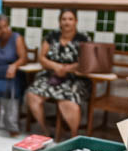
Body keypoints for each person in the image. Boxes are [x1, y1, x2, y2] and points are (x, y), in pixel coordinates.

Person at [26, 7, 90, 137]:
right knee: (32, 95)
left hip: (75, 78)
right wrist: (55, 66)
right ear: (59, 21)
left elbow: (86, 61)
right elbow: (42, 57)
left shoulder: (83, 38)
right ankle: (45, 131)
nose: (67, 22)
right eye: (64, 19)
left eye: (70, 19)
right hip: (51, 76)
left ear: (76, 21)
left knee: (67, 100)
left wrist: (67, 68)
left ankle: (74, 136)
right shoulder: (52, 36)